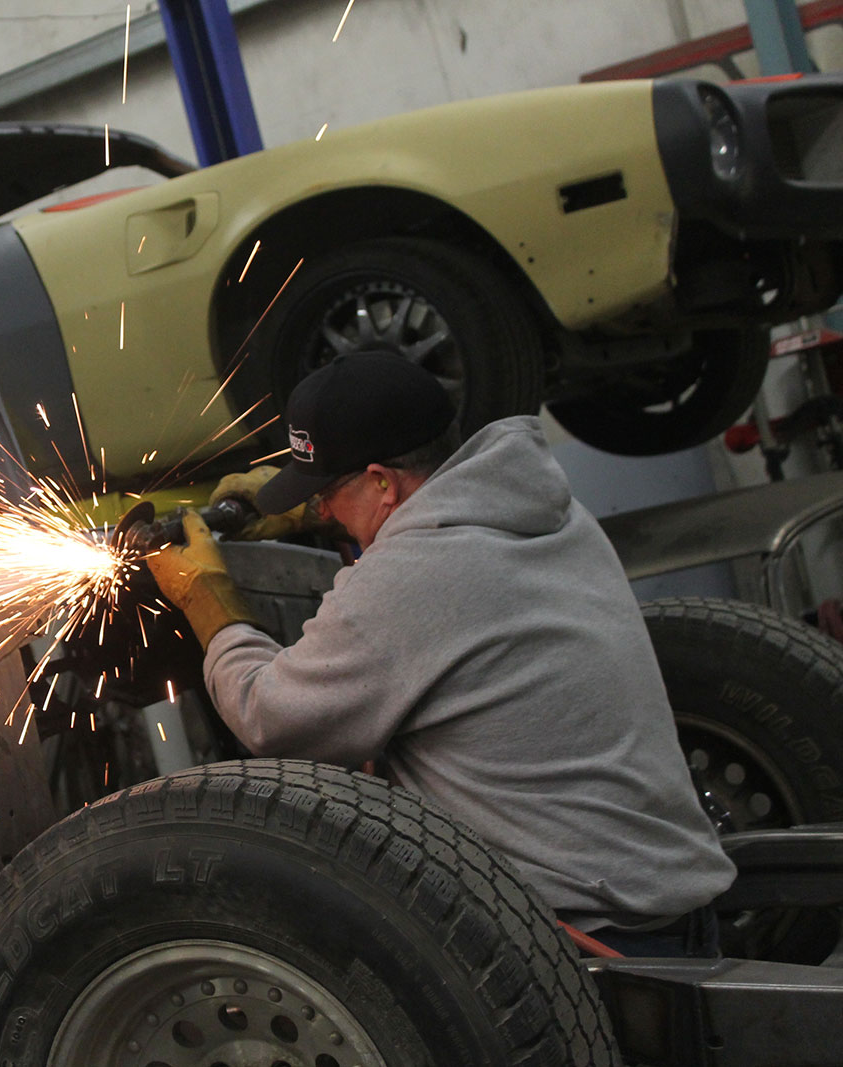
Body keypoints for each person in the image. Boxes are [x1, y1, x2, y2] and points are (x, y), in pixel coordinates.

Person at [146, 351, 734, 956]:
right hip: (670, 905)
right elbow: (425, 549)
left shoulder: (409, 578)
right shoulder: (542, 513)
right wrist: (322, 517)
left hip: (584, 946)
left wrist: (207, 601)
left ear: (382, 482)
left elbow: (267, 715)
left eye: (326, 493)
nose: (320, 509)